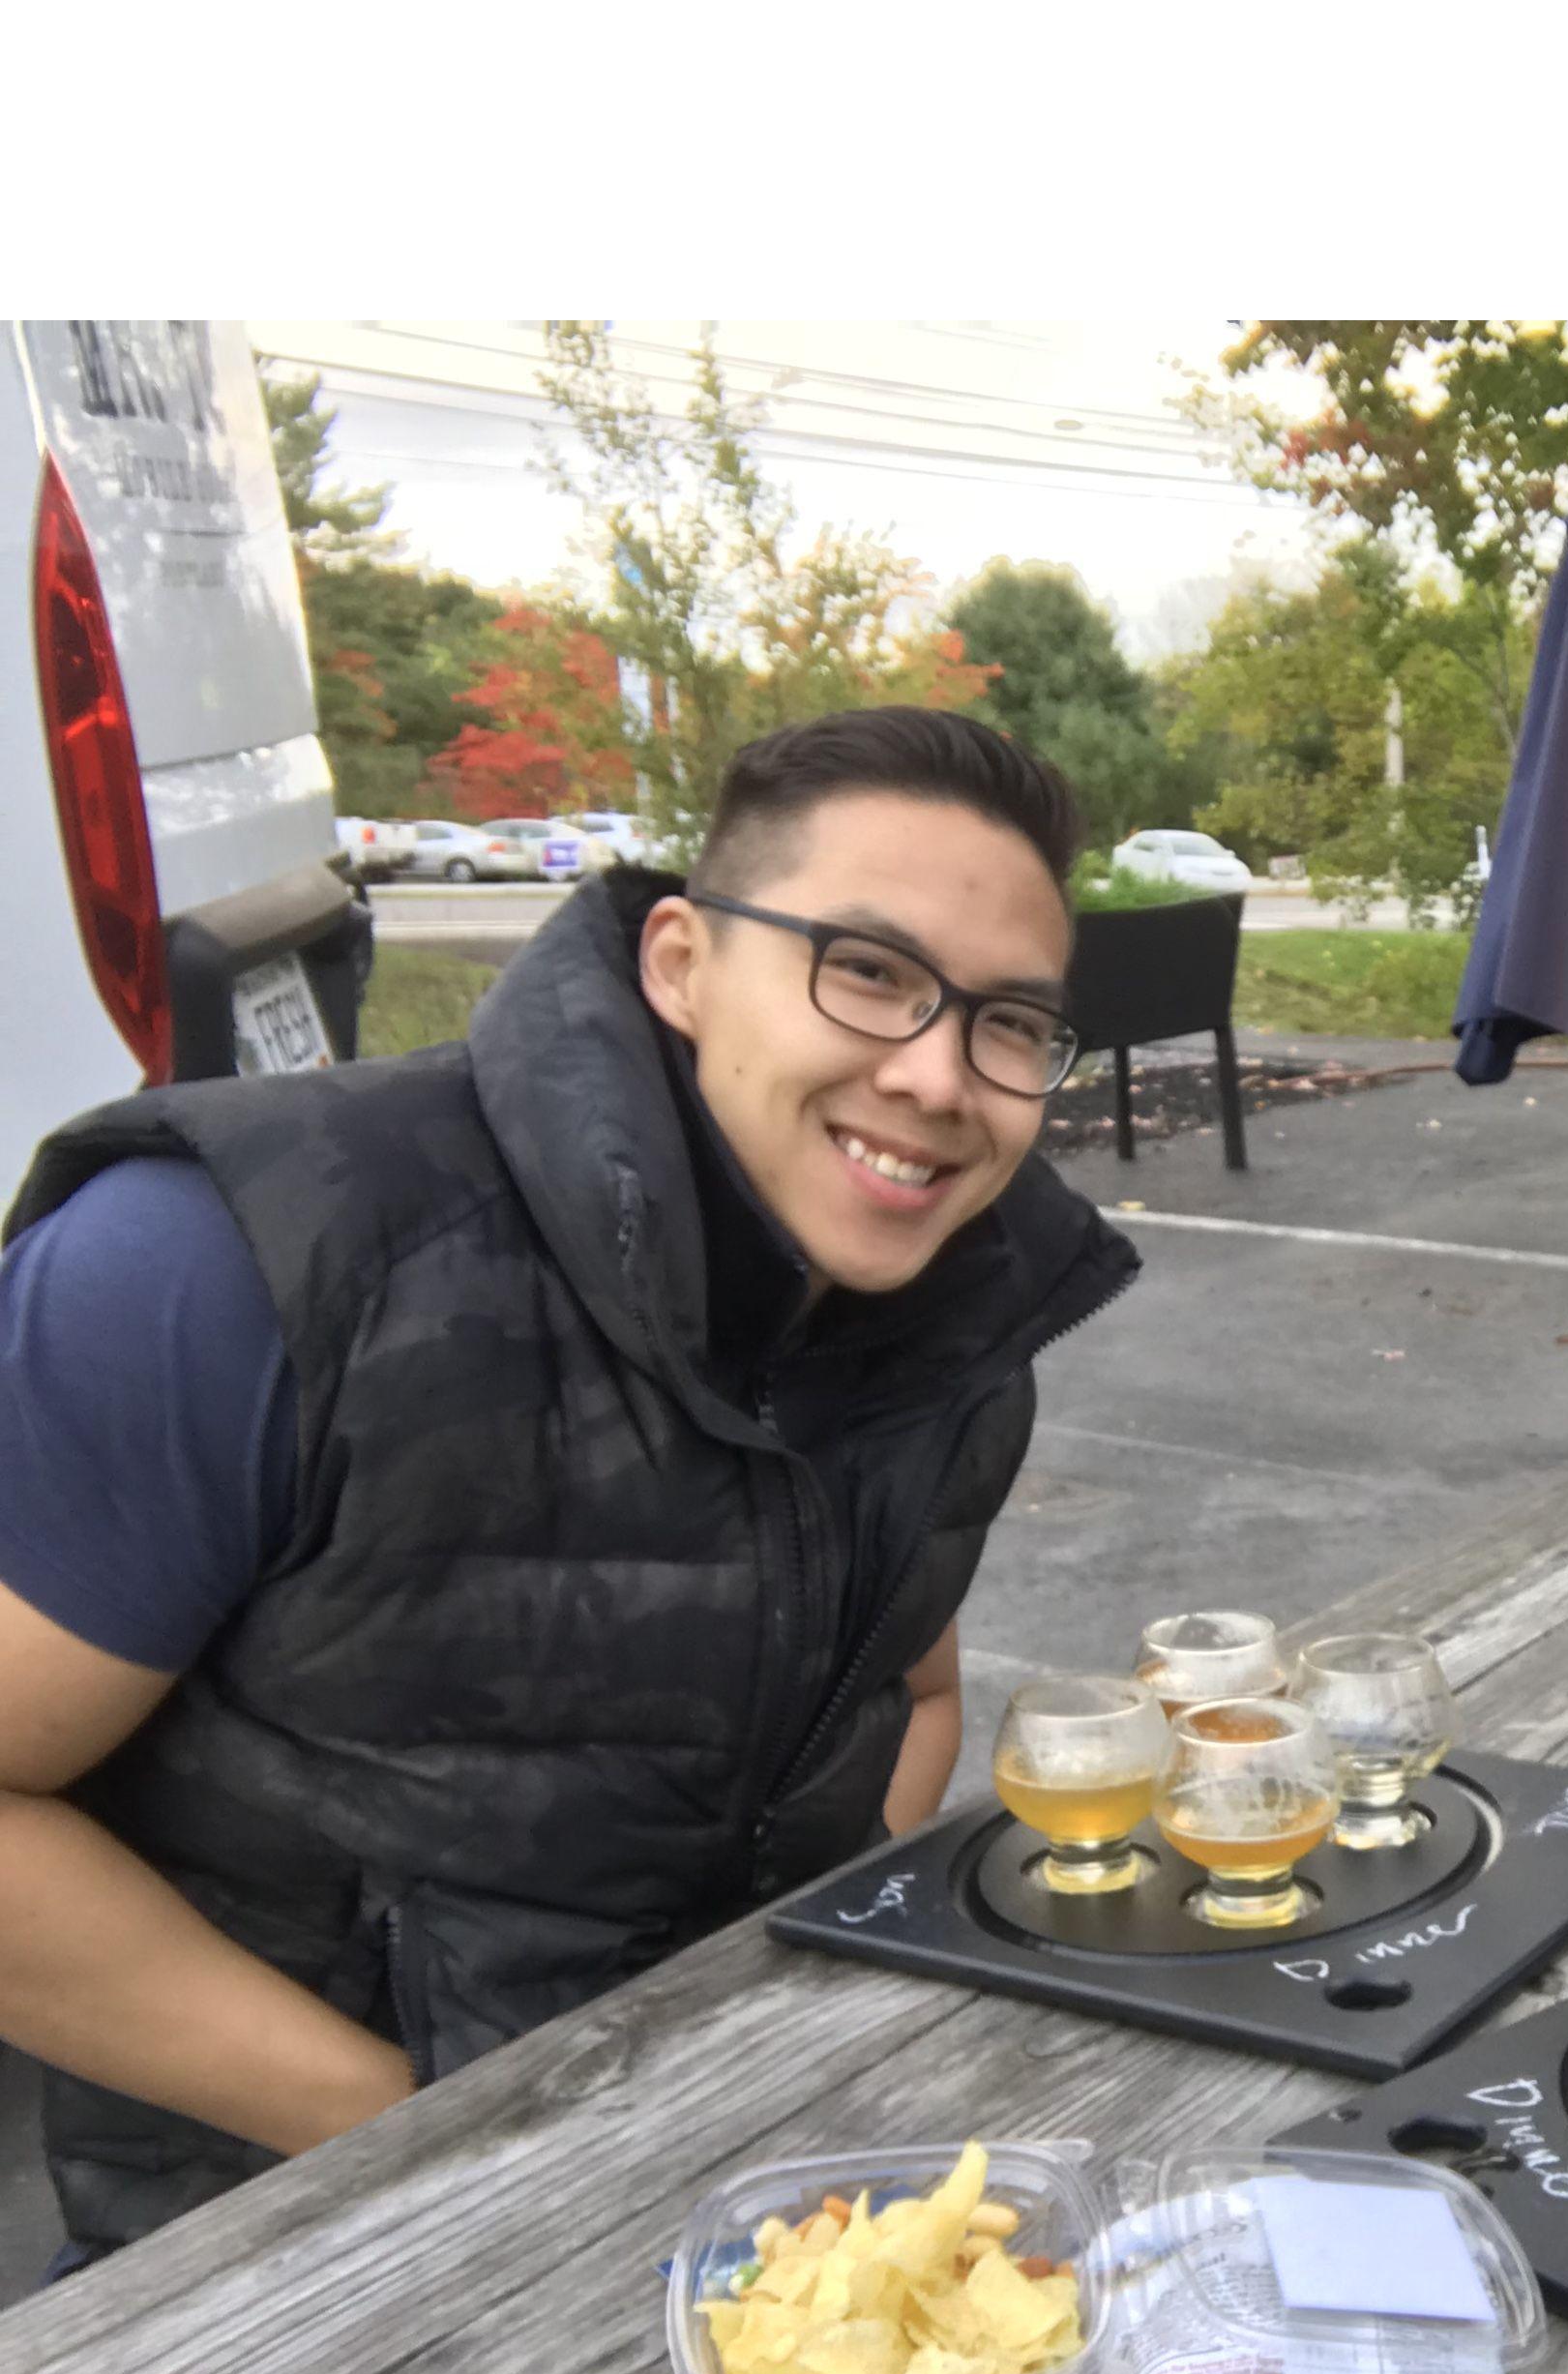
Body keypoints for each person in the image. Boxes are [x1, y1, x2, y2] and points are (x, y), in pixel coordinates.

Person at [0, 708, 1137, 2271]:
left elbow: (912, 1698)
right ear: (681, 962)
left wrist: (761, 2034)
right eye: (868, 971)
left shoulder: (953, 1327)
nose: (941, 1076)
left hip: (745, 2200)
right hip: (277, 2260)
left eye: (1010, 1023)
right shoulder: (230, 1259)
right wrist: (471, 2144)